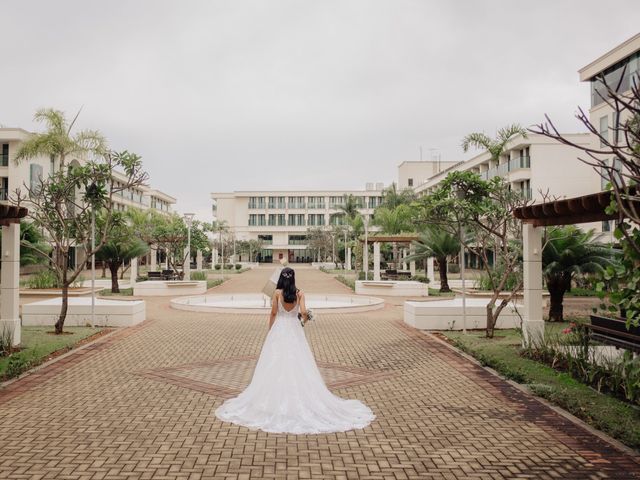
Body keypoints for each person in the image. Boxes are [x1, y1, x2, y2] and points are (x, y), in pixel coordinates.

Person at [215, 267, 375, 434]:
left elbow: (273, 312)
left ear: (282, 279)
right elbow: (304, 312)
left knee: (275, 363)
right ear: (293, 279)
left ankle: (272, 402)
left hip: (280, 329)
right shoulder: (300, 294)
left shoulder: (277, 293)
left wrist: (270, 331)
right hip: (294, 330)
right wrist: (304, 320)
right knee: (299, 362)